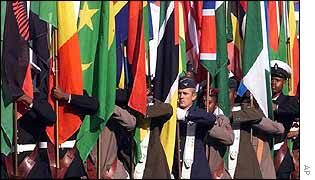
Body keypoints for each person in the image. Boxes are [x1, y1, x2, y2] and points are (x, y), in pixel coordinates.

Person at [3, 91, 56, 179]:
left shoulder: (35, 96)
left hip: (32, 162)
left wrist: (27, 100)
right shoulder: (3, 97)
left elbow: (51, 118)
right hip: (5, 160)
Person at [85, 88, 136, 179]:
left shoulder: (114, 117)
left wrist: (108, 106)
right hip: (86, 170)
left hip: (111, 171)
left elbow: (131, 123)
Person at [172, 76, 216, 179]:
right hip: (176, 170)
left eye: (185, 93)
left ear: (193, 96)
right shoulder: (172, 112)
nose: (181, 96)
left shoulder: (198, 113)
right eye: (179, 93)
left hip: (197, 171)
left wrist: (186, 115)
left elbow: (210, 119)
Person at [51, 87, 99, 178]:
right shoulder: (43, 87)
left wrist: (67, 97)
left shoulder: (75, 89)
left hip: (70, 160)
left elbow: (94, 105)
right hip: (45, 158)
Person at [134, 77, 173, 179]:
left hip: (152, 162)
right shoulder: (129, 107)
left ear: (147, 90)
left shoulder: (154, 106)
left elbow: (168, 110)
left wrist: (142, 111)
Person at [270, 60, 299, 179]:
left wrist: (275, 107)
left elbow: (295, 110)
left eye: (277, 80)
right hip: (260, 151)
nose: (273, 83)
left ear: (284, 83)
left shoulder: (289, 101)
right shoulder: (259, 99)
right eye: (272, 79)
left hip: (279, 152)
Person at [203, 88, 234, 179]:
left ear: (215, 105)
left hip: (216, 172)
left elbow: (229, 138)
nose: (206, 105)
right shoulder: (195, 119)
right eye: (204, 101)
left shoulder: (222, 120)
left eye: (209, 103)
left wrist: (210, 128)